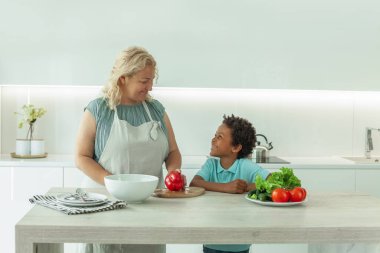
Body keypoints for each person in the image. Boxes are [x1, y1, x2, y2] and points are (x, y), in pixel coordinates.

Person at [75, 46, 182, 253]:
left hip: (150, 208)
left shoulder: (156, 110)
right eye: (144, 81)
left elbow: (173, 152)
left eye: (152, 80)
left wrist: (173, 172)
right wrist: (114, 182)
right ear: (123, 78)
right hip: (105, 206)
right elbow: (81, 157)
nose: (150, 87)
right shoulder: (98, 110)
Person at [190, 114, 270, 253]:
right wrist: (226, 188)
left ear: (235, 147)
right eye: (215, 135)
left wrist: (247, 188)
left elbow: (273, 180)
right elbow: (195, 183)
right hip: (211, 241)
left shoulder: (245, 165)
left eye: (219, 137)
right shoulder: (211, 164)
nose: (213, 139)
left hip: (240, 243)